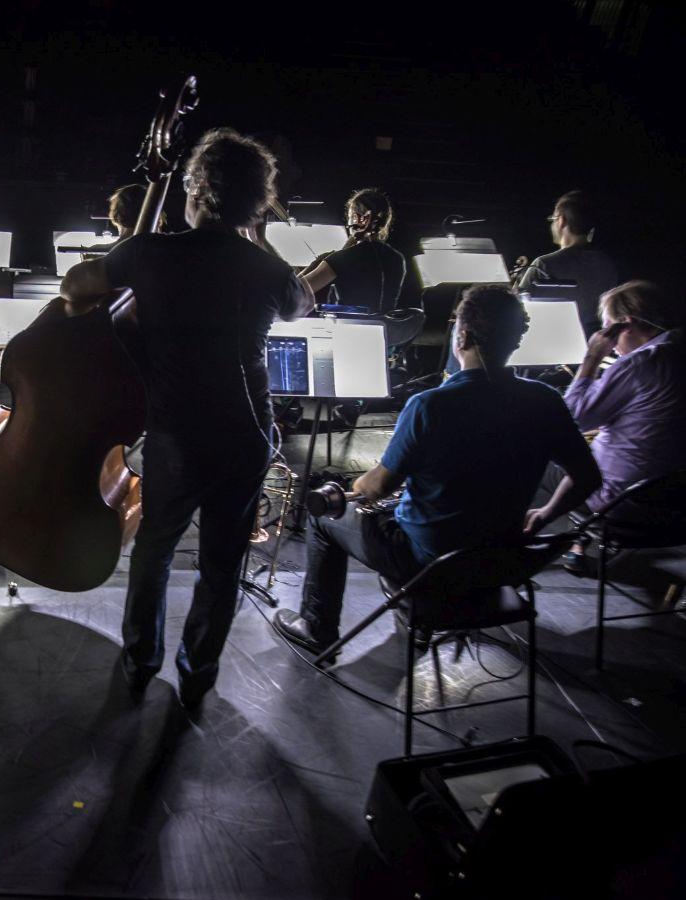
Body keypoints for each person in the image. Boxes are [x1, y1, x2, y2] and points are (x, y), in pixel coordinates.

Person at [60, 128, 315, 708]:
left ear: (195, 189)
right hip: (247, 433)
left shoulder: (149, 253)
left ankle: (138, 663)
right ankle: (198, 674)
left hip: (177, 432)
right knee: (223, 563)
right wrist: (254, 237)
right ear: (257, 200)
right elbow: (303, 303)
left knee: (155, 549)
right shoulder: (266, 269)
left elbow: (75, 285)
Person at [272, 285, 602, 660]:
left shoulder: (430, 405)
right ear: (516, 340)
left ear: (461, 336)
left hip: (431, 565)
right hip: (501, 561)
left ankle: (317, 629)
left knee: (324, 520)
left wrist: (359, 484)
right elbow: (588, 477)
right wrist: (545, 514)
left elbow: (377, 487)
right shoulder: (546, 400)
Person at [554, 280, 686, 572]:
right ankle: (580, 541)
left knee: (545, 458)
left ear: (624, 324)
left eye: (606, 327)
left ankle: (510, 555)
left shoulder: (639, 364)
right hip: (677, 502)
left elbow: (572, 419)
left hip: (628, 503)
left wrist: (592, 357)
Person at [516, 190, 619, 335]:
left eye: (553, 219)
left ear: (561, 220)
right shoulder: (607, 264)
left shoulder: (544, 264)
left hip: (548, 338)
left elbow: (515, 311)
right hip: (592, 342)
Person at [298, 188, 406, 314]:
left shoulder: (342, 259)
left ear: (360, 219)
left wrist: (322, 260)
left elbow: (296, 291)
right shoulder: (397, 258)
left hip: (351, 328)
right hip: (386, 329)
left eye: (350, 217)